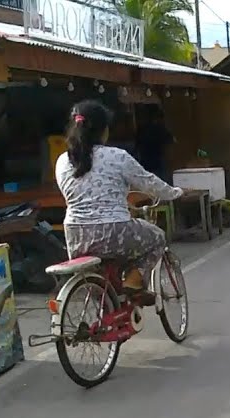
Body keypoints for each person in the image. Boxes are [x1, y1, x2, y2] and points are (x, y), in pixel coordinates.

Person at [55, 100, 184, 304]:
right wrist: (174, 193)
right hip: (115, 233)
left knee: (100, 272)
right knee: (157, 237)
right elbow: (148, 182)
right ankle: (133, 282)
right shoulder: (117, 156)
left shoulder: (63, 160)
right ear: (103, 130)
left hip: (75, 236)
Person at [134, 104, 174, 181]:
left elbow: (137, 149)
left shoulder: (142, 130)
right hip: (160, 167)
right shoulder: (161, 130)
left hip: (145, 167)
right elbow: (169, 151)